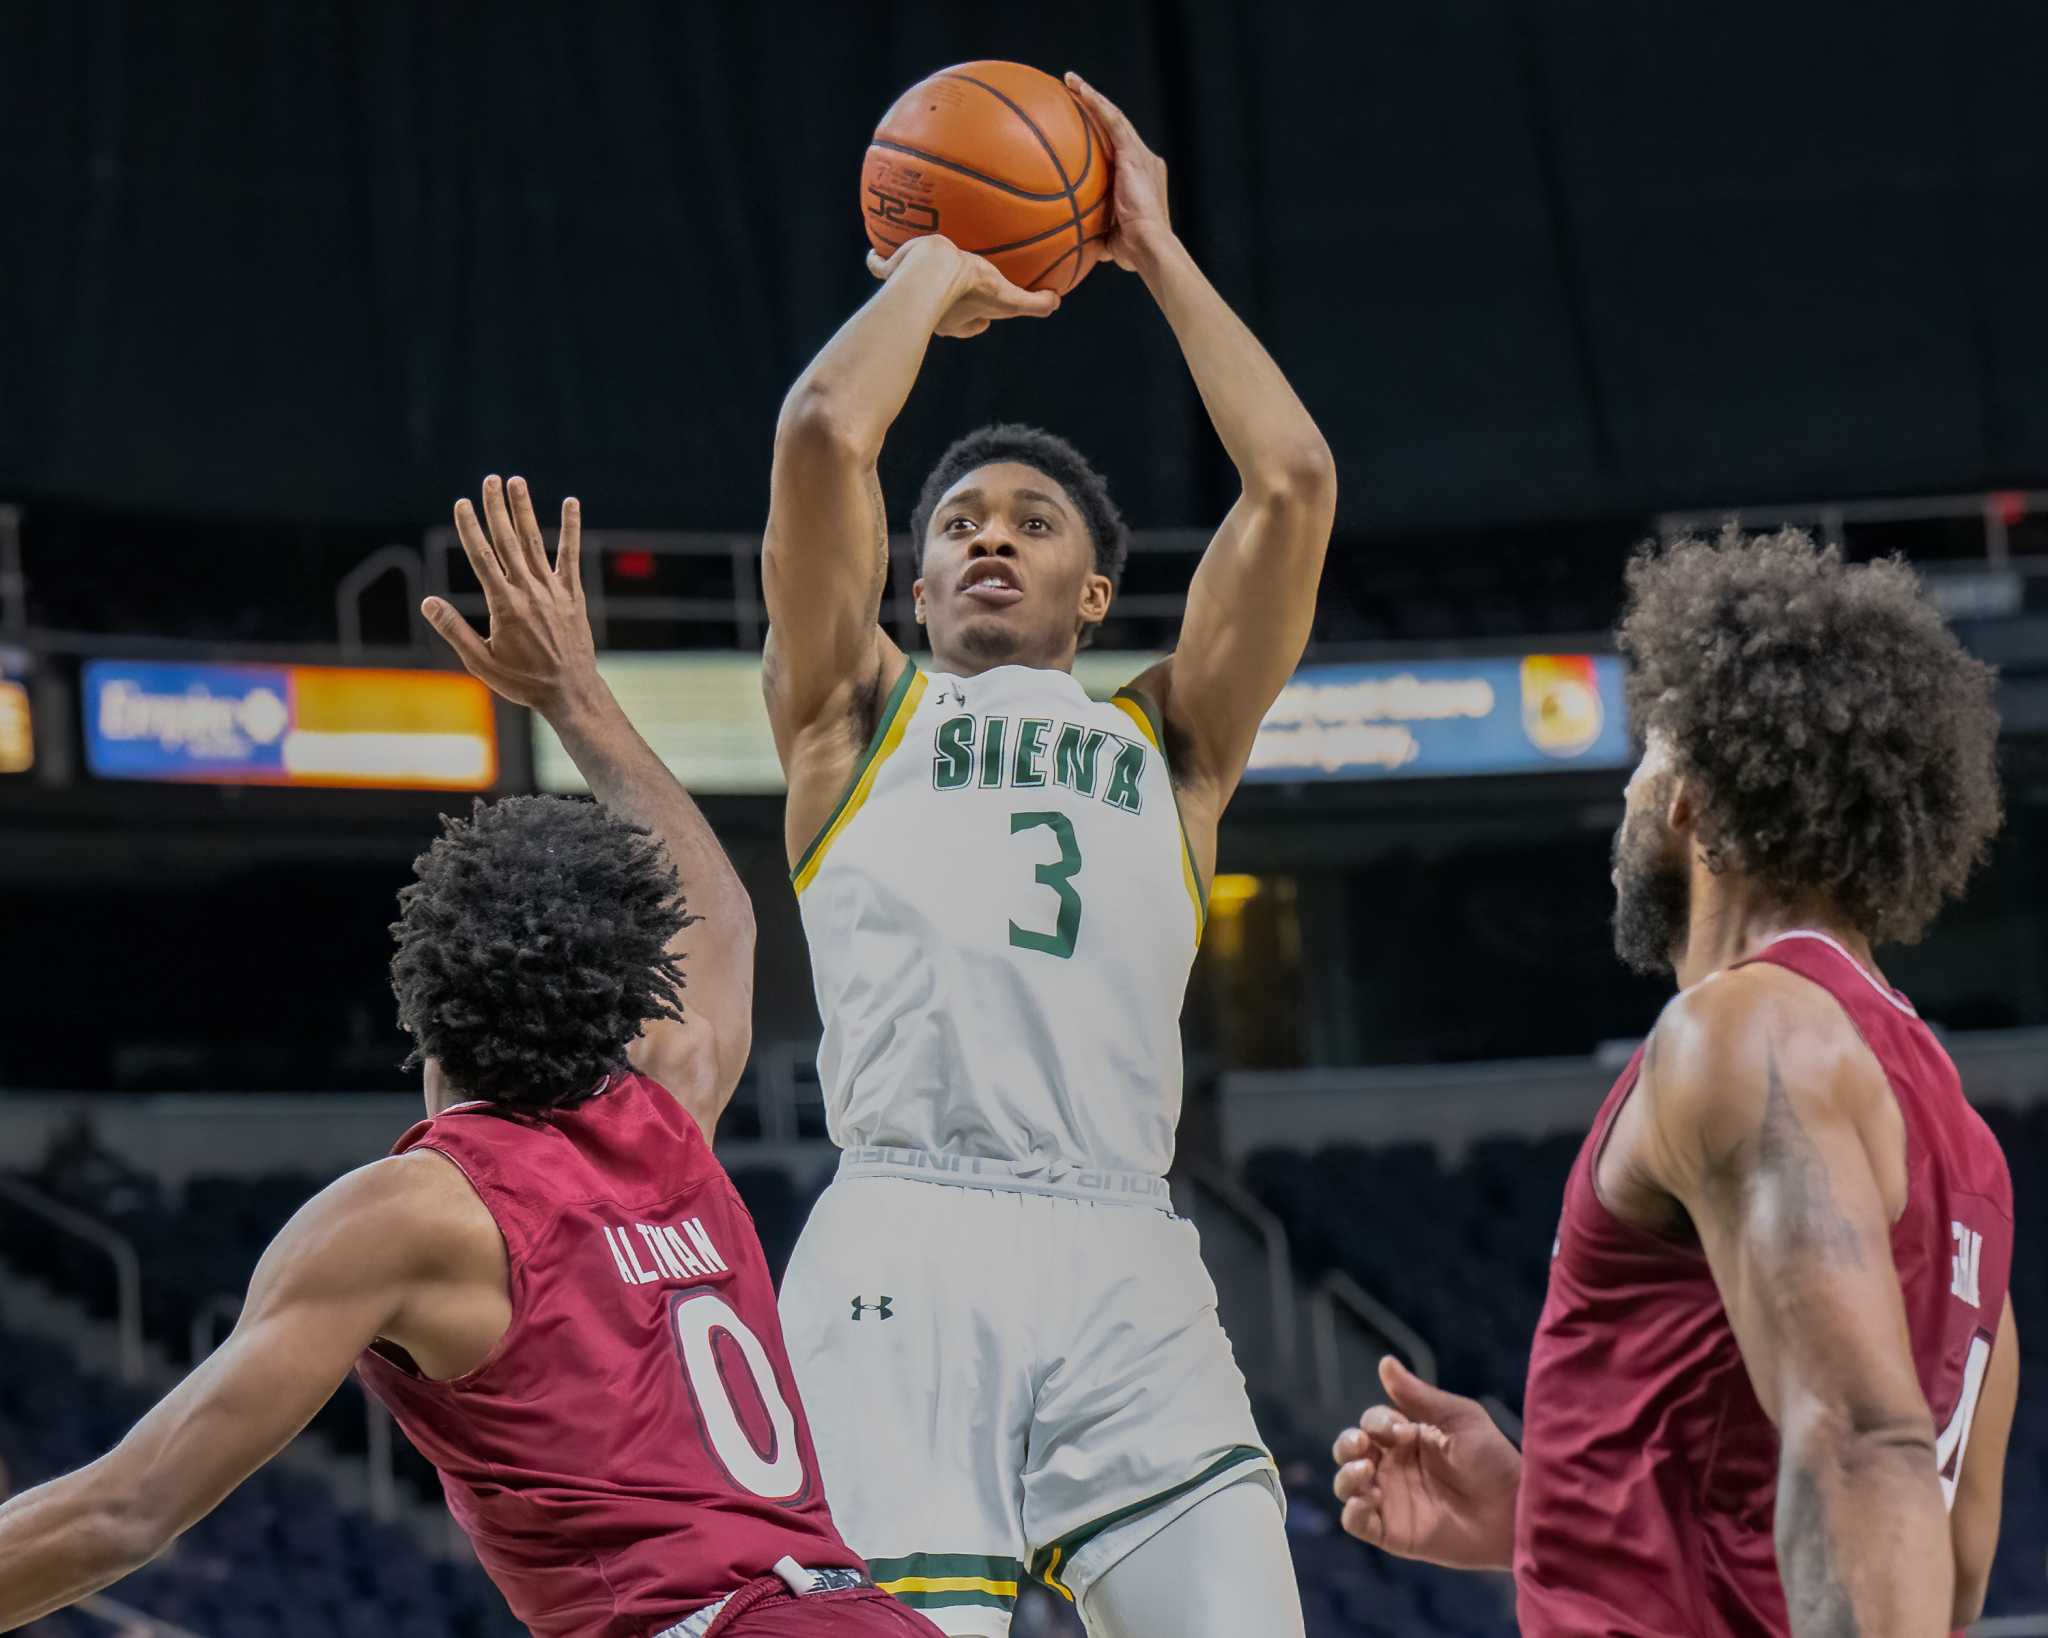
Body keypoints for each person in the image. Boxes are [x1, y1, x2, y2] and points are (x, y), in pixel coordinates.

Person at [0, 476, 938, 1638]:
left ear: (423, 1012)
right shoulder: (671, 1117)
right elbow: (720, 923)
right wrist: (575, 696)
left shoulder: (413, 1213)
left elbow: (125, 1515)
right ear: (623, 999)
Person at [760, 72, 1335, 1638]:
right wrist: (937, 271)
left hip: (1127, 1248)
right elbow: (825, 429)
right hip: (908, 1229)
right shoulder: (849, 714)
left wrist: (1150, 247)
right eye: (955, 521)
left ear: (1094, 595)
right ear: (916, 579)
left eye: (1031, 520)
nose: (989, 533)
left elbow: (1291, 485)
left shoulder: (1173, 744)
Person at [1331, 530, 2018, 1635]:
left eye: (1644, 759)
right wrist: (1544, 1512)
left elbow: (1858, 1444)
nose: (1626, 790)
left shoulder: (1739, 1031)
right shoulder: (1963, 1148)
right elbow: (1948, 1559)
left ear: (1693, 798)